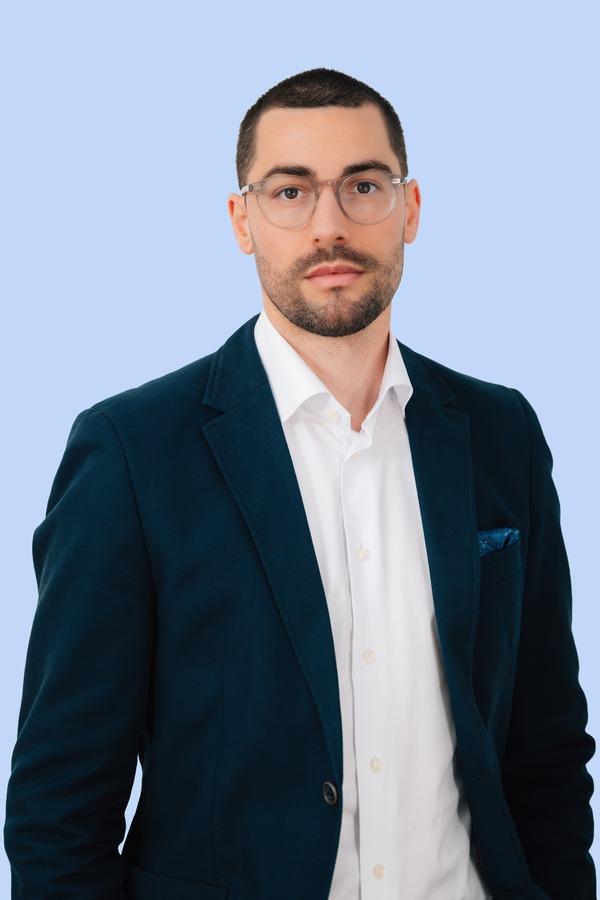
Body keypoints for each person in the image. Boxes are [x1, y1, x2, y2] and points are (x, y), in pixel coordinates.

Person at [3, 66, 596, 900]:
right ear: (242, 221)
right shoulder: (133, 451)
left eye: (364, 186)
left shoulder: (502, 434)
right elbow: (59, 804)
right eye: (290, 191)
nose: (330, 226)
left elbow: (548, 752)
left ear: (410, 209)